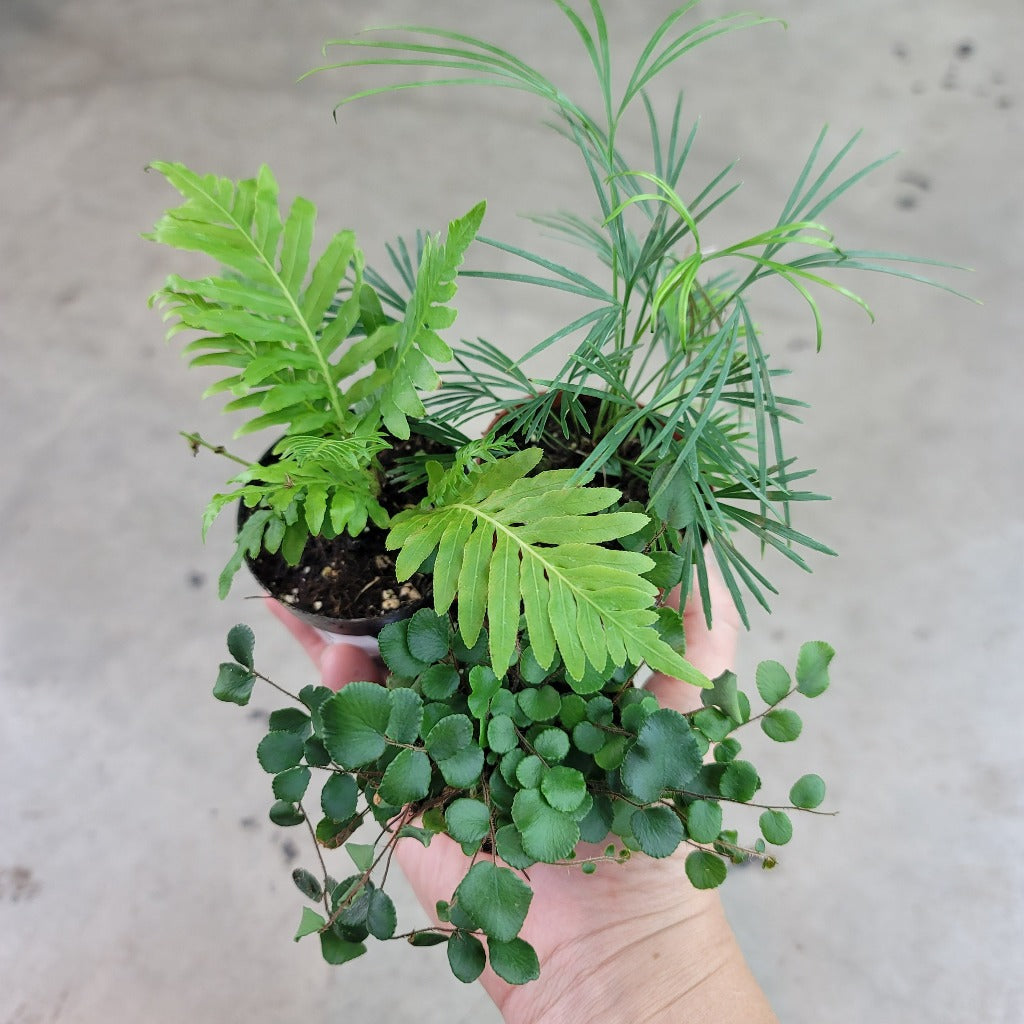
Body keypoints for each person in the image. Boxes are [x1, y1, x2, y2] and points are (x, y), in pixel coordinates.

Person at [266, 561, 777, 1024]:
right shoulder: (499, 711)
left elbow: (529, 730)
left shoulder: (566, 757)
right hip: (502, 724)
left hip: (519, 737)